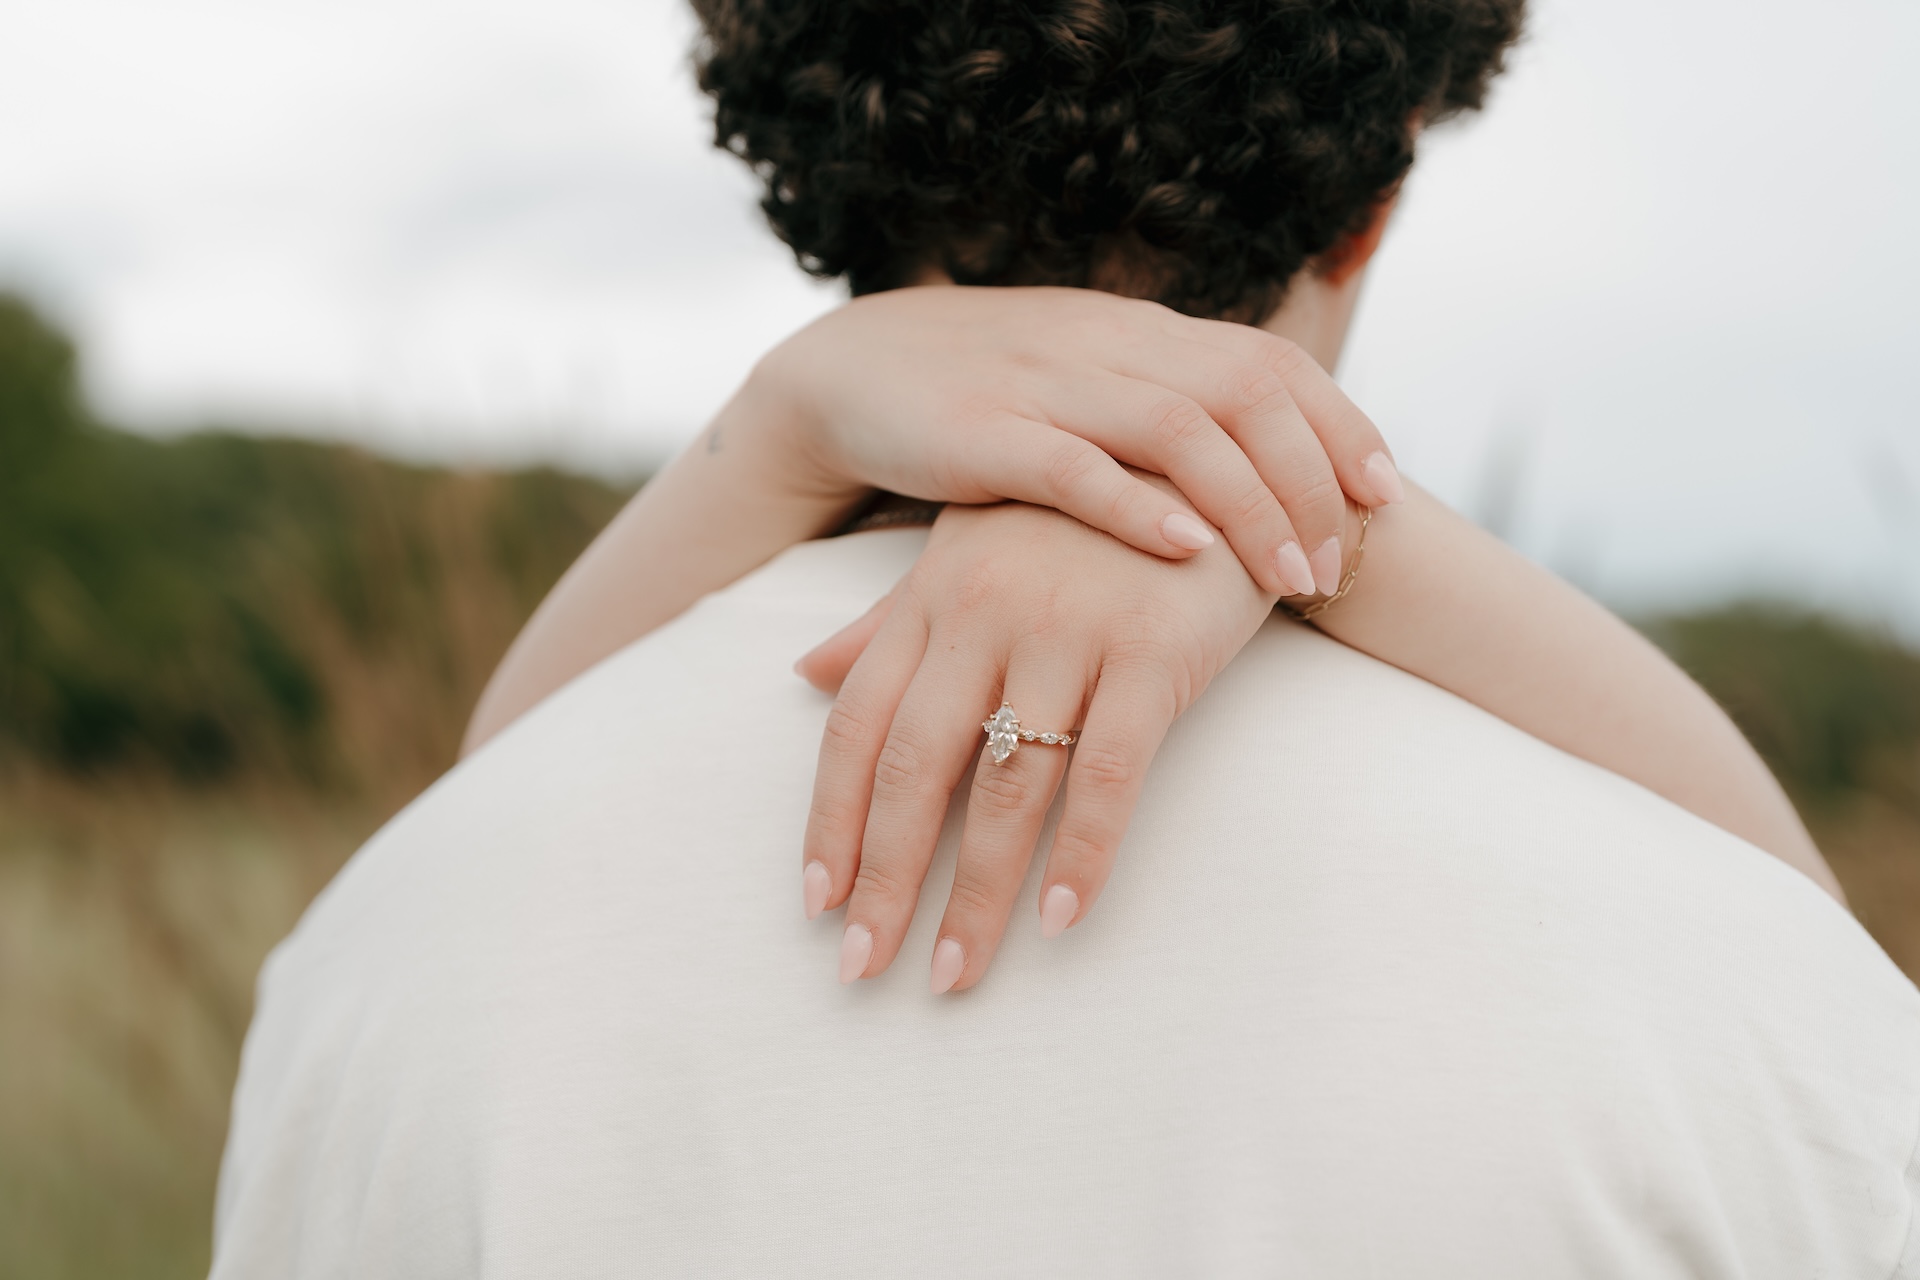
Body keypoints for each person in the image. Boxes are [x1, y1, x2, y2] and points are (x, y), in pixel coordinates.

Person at [211, 1, 1920, 1274]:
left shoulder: (376, 950)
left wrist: (791, 421)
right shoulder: (1747, 986)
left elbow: (491, 763)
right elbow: (1816, 959)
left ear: (802, 163)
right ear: (1372, 199)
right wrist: (1313, 520)